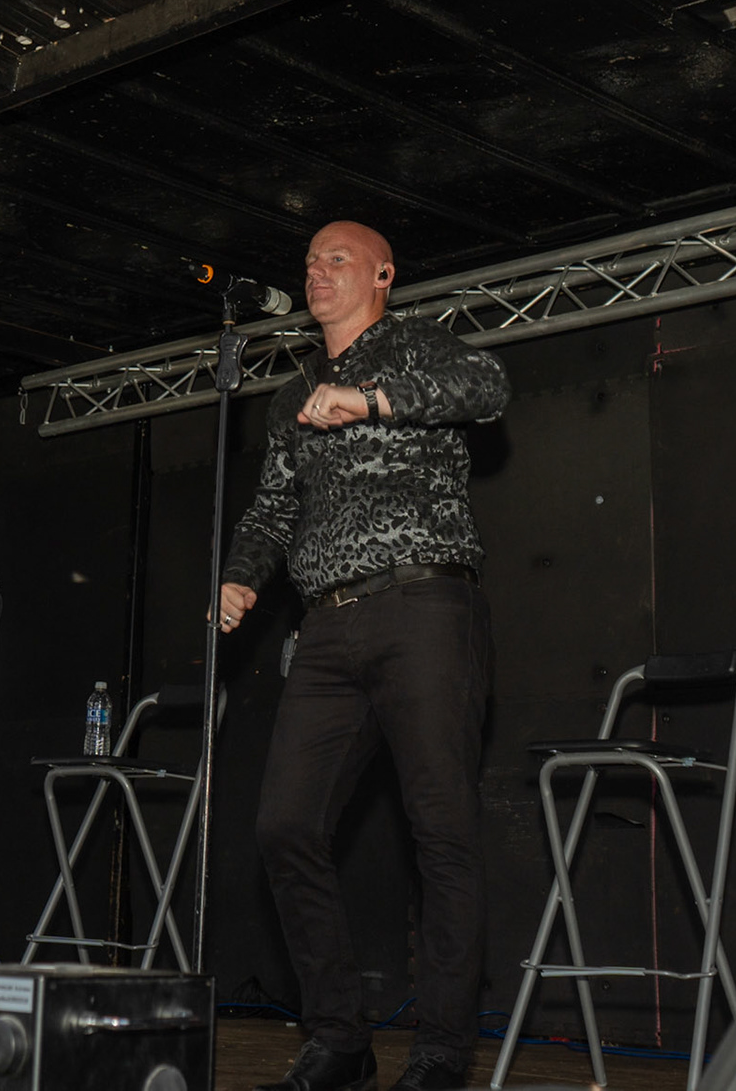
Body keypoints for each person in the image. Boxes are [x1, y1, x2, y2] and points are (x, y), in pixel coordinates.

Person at [220, 221, 509, 1091]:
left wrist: (372, 399)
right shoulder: (291, 393)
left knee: (441, 829)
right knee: (285, 823)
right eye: (309, 262)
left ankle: (441, 1051)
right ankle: (340, 1037)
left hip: (424, 605)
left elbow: (488, 386)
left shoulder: (418, 343)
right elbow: (273, 506)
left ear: (382, 275)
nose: (317, 272)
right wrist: (240, 576)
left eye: (335, 259)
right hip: (326, 627)